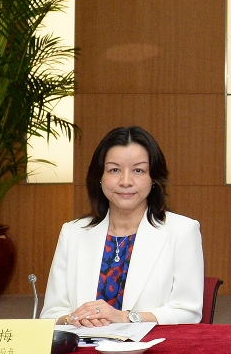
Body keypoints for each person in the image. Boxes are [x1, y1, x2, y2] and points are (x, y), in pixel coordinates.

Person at [42, 126, 206, 327]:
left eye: (138, 170)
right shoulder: (73, 232)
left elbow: (188, 311)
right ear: (99, 177)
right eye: (114, 170)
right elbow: (51, 313)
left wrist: (126, 317)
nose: (126, 181)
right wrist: (74, 318)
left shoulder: (182, 231)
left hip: (151, 345)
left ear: (153, 179)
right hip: (84, 344)